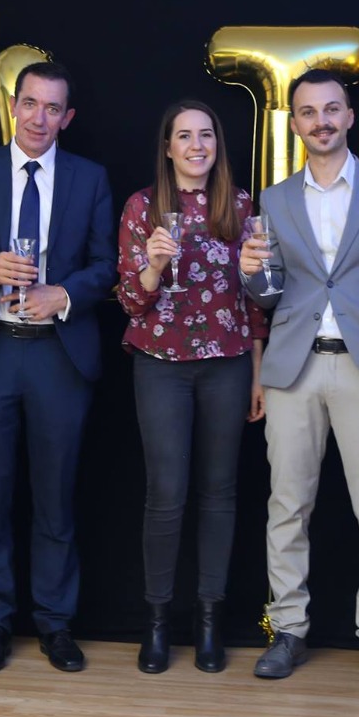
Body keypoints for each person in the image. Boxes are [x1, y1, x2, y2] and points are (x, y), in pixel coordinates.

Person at [238, 68, 359, 688]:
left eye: (332, 109)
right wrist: (250, 273)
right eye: (309, 112)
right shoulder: (274, 199)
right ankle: (287, 629)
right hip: (294, 367)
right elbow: (268, 296)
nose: (322, 121)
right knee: (287, 505)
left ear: (349, 116)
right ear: (295, 123)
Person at [0, 62, 117, 674]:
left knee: (55, 497)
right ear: (14, 106)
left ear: (68, 117)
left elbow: (106, 265)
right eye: (31, 104)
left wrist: (61, 294)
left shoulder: (90, 178)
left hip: (58, 357)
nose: (40, 118)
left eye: (53, 108)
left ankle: (55, 623)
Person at [115, 100, 266, 674]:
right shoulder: (142, 207)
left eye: (206, 135)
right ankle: (157, 622)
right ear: (168, 147)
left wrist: (258, 374)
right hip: (161, 363)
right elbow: (131, 301)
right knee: (166, 493)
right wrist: (153, 266)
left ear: (217, 144)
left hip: (227, 363)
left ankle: (209, 621)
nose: (196, 145)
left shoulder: (241, 205)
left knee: (220, 491)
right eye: (184, 136)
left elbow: (255, 303)